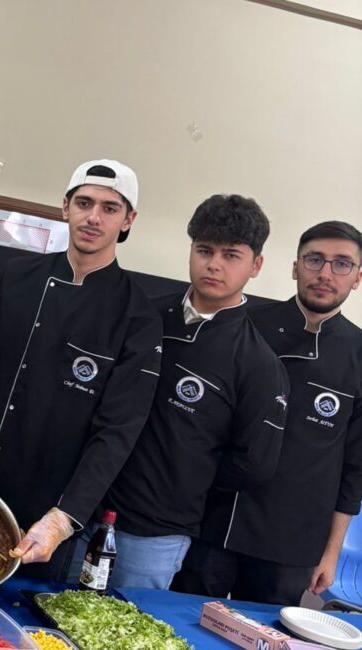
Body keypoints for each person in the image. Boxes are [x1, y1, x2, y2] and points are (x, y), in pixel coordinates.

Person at [0, 159, 162, 581]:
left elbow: (117, 431)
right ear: (65, 207)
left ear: (128, 219)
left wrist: (65, 517)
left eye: (110, 208)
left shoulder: (137, 315)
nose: (93, 217)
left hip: (47, 520)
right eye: (84, 202)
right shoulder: (17, 278)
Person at [100, 195, 288, 589]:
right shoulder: (144, 315)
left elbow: (254, 463)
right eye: (205, 250)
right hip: (85, 507)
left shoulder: (258, 361)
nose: (214, 264)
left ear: (256, 266)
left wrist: (187, 474)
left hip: (157, 531)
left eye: (231, 255)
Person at [174, 221, 362, 605]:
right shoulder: (246, 325)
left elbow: (355, 469)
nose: (325, 273)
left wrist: (330, 552)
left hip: (292, 542)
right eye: (314, 260)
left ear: (358, 277)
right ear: (295, 267)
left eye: (342, 264)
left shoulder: (359, 353)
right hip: (214, 522)